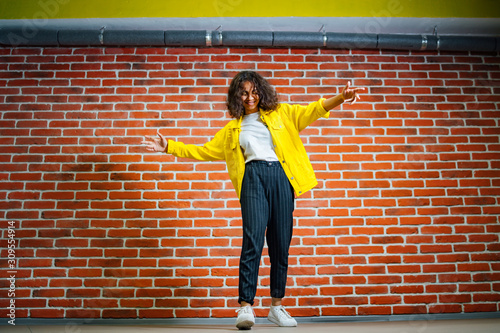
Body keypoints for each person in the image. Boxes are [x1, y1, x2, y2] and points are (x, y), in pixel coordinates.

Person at [142, 71, 365, 330]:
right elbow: (203, 150)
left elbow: (314, 110)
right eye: (244, 92)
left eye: (254, 91)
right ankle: (245, 307)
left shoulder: (282, 114)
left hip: (282, 177)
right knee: (253, 241)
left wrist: (341, 97)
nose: (250, 97)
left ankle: (276, 306)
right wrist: (169, 146)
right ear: (237, 96)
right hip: (252, 179)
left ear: (262, 91)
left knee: (281, 243)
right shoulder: (231, 130)